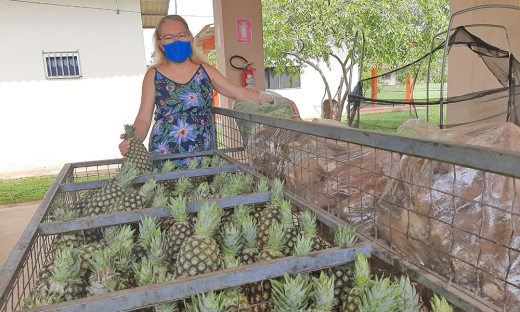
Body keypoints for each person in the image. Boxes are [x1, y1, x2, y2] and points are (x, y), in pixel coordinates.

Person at [119, 15, 299, 165]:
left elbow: (240, 93)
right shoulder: (153, 75)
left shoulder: (204, 71)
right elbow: (143, 118)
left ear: (190, 37)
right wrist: (133, 140)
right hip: (165, 155)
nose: (176, 40)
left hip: (203, 154)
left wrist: (275, 99)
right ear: (160, 43)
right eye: (169, 37)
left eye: (181, 35)